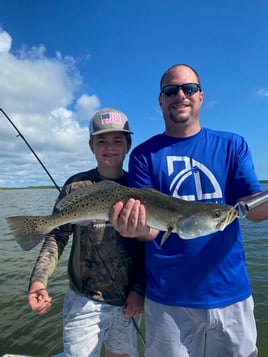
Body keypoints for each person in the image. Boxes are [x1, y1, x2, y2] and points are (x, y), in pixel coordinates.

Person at [109, 64, 268, 357]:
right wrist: (133, 228)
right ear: (160, 100)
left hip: (230, 296)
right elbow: (151, 232)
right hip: (168, 300)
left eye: (189, 88)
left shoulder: (232, 145)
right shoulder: (144, 155)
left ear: (201, 96)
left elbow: (254, 211)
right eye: (171, 90)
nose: (180, 95)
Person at [27, 108, 145, 357]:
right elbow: (56, 236)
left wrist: (139, 290)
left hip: (127, 302)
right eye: (101, 140)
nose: (109, 147)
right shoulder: (75, 186)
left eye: (117, 140)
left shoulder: (139, 186)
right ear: (91, 146)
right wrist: (39, 280)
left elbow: (149, 247)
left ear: (128, 145)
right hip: (83, 300)